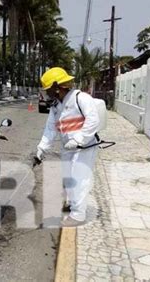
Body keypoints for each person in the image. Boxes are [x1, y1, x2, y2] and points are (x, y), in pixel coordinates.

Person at [36, 67, 100, 227]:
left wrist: (79, 140)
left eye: (49, 89)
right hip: (67, 147)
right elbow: (51, 128)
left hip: (84, 147)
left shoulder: (81, 98)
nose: (47, 93)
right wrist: (41, 148)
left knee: (79, 178)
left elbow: (93, 120)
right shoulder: (56, 106)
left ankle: (78, 215)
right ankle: (73, 204)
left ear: (57, 87)